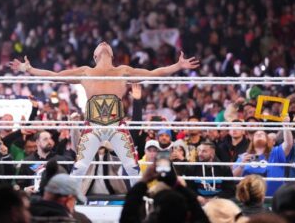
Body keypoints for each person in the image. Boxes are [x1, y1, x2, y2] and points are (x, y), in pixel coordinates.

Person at [10, 41, 199, 184]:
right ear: (94, 56)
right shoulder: (85, 72)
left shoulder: (123, 70)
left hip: (117, 125)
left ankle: (139, 203)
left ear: (111, 54)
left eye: (107, 44)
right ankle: (69, 205)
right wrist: (28, 68)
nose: (104, 43)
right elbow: (55, 76)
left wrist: (178, 66)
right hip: (92, 126)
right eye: (100, 45)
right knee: (80, 168)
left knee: (132, 168)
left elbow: (154, 73)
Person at [233, 116, 293, 196]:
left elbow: (288, 144)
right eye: (256, 134)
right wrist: (241, 165)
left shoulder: (276, 152)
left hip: (274, 198)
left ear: (268, 140)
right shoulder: (244, 156)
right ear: (252, 141)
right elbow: (233, 177)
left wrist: (286, 126)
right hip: (250, 199)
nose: (259, 134)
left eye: (262, 134)